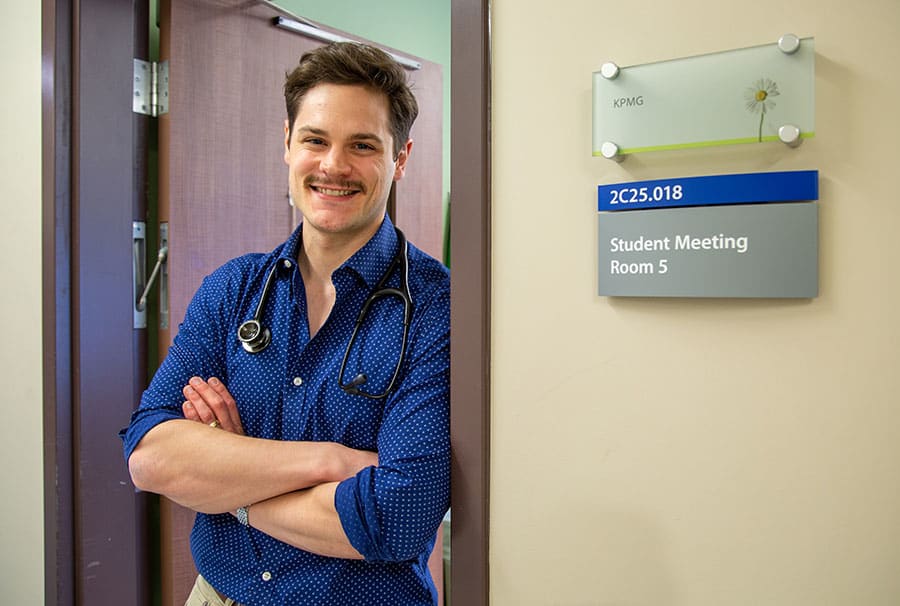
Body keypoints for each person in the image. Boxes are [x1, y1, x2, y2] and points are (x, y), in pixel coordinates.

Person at [121, 42, 450, 605]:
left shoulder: (436, 309)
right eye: (315, 140)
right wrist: (329, 461)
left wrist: (227, 482)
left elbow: (396, 517)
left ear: (400, 157)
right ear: (287, 144)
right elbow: (150, 456)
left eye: (363, 146)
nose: (333, 166)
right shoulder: (233, 290)